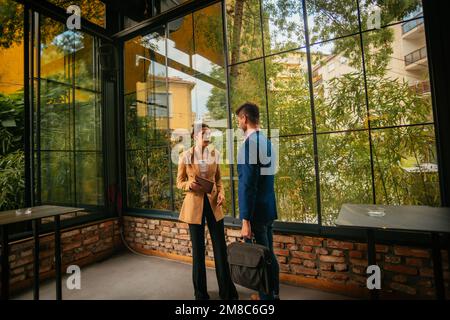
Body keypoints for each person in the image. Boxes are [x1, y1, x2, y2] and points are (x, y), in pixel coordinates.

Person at [176, 123, 238, 300]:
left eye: (208, 132)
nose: (207, 135)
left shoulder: (215, 154)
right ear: (195, 136)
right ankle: (201, 295)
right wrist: (190, 185)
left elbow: (218, 181)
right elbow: (179, 182)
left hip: (213, 205)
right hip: (194, 207)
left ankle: (227, 293)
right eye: (204, 133)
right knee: (198, 250)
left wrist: (221, 195)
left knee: (220, 249)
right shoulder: (185, 156)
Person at [236, 102, 280, 300]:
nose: (238, 123)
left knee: (261, 260)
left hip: (255, 214)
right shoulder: (267, 142)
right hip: (268, 208)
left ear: (245, 118)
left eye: (238, 119)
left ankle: (267, 300)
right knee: (268, 256)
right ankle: (272, 294)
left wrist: (245, 220)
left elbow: (247, 185)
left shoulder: (249, 145)